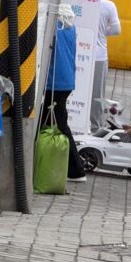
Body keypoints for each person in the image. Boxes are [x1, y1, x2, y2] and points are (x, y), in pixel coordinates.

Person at [42, 13, 87, 182]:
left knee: (59, 124)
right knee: (47, 123)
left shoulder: (54, 28)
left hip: (54, 83)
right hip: (65, 81)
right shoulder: (69, 27)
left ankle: (76, 170)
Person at [91, 0, 122, 133]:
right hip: (99, 55)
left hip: (78, 51)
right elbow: (117, 29)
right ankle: (95, 127)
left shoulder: (79, 0)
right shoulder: (108, 5)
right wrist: (103, 32)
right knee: (97, 93)